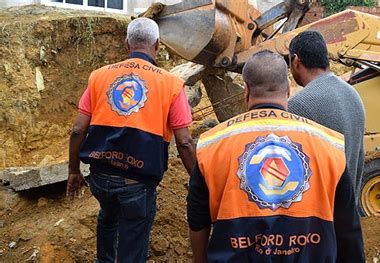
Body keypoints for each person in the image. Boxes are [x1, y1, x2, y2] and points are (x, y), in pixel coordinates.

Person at [187, 50, 365, 262]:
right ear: (289, 90)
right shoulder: (329, 145)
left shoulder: (212, 144)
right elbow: (348, 228)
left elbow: (197, 219)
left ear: (246, 91)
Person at [66, 17, 196, 262]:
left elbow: (77, 130)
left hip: (100, 179)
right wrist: (198, 181)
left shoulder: (98, 76)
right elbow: (185, 143)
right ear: (157, 45)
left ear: (126, 43)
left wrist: (73, 171)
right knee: (132, 247)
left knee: (108, 214)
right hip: (137, 183)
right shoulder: (171, 84)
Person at [288, 31, 366, 209]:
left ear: (296, 61)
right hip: (347, 214)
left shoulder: (298, 106)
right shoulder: (353, 95)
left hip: (319, 220)